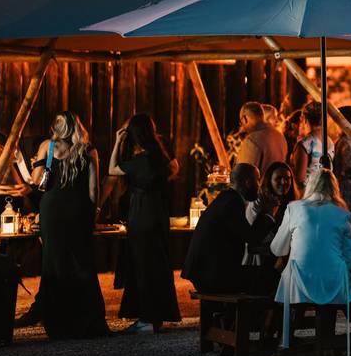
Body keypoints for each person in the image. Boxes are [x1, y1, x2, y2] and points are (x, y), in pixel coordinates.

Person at [29, 111, 108, 339]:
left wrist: (38, 161)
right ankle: (88, 320)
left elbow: (36, 180)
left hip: (52, 208)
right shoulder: (89, 150)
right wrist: (94, 214)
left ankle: (57, 323)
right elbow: (94, 189)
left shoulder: (48, 146)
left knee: (54, 263)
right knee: (81, 262)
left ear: (56, 127)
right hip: (78, 209)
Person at [107, 114, 181, 334]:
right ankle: (156, 316)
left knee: (143, 266)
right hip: (157, 212)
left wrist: (117, 143)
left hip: (141, 213)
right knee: (158, 265)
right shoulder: (160, 157)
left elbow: (112, 169)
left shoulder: (141, 161)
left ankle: (147, 318)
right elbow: (173, 170)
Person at [271, 170, 351, 351]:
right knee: (335, 273)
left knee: (293, 271)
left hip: (298, 281)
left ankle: (286, 338)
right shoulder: (343, 214)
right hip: (332, 280)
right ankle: (327, 342)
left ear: (310, 185)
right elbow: (350, 258)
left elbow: (277, 248)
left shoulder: (294, 208)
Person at [181, 162, 277, 294]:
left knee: (263, 274)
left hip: (207, 272)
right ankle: (253, 315)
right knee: (272, 276)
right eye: (258, 180)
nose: (259, 185)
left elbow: (247, 235)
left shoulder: (227, 198)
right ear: (248, 182)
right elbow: (252, 238)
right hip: (212, 276)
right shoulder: (232, 203)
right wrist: (269, 213)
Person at [245, 162, 301, 294]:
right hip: (258, 261)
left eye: (287, 178)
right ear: (269, 181)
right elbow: (251, 237)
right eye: (278, 178)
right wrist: (271, 212)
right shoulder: (258, 201)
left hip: (281, 257)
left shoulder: (293, 204)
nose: (283, 182)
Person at [290, 102, 335, 191]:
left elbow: (300, 179)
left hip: (308, 194)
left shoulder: (305, 144)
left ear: (305, 119)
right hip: (325, 191)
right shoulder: (329, 141)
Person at [237, 101, 288, 174]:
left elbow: (243, 175)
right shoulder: (280, 137)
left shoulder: (252, 140)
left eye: (241, 122)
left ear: (245, 119)